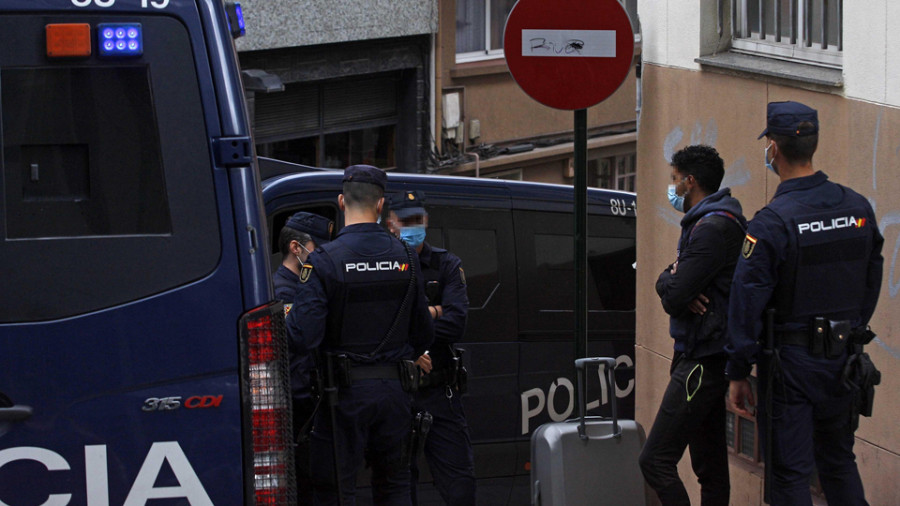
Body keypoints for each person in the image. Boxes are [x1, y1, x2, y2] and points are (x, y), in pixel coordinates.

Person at [726, 101, 884, 506]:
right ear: (813, 145)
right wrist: (849, 329)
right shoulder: (858, 209)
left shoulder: (772, 223)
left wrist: (739, 370)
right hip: (844, 360)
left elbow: (746, 301)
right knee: (837, 462)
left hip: (791, 365)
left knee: (790, 474)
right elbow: (871, 278)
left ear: (773, 149)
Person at [287, 165, 433, 506]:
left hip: (342, 397)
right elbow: (424, 332)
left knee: (337, 490)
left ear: (341, 202)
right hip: (395, 394)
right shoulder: (407, 257)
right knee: (396, 486)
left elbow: (302, 337)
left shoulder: (323, 261)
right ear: (381, 205)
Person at [639, 145, 746, 506]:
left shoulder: (712, 228)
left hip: (701, 361)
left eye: (675, 180)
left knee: (655, 460)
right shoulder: (706, 223)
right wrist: (673, 281)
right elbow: (671, 281)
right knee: (710, 463)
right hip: (703, 354)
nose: (672, 189)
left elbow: (673, 293)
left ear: (690, 181)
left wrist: (675, 285)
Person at [388, 191, 476, 506]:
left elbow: (455, 324)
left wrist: (410, 325)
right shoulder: (381, 265)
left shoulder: (446, 264)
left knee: (460, 485)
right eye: (405, 220)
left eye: (418, 219)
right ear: (391, 223)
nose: (413, 226)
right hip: (397, 392)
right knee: (398, 484)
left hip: (440, 391)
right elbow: (373, 326)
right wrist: (430, 315)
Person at [273, 210, 333, 505]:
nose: (321, 255)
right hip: (299, 403)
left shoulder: (308, 286)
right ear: (296, 248)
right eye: (317, 249)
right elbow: (297, 345)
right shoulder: (282, 291)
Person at [274, 211, 333, 304]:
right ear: (295, 248)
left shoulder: (305, 282)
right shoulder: (284, 293)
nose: (323, 254)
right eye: (317, 248)